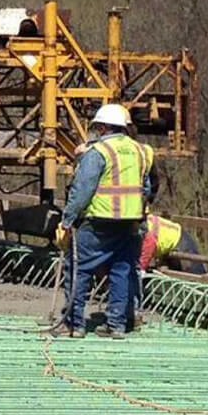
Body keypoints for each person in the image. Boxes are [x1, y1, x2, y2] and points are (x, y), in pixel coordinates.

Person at [53, 103, 156, 339]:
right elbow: (146, 189)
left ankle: (74, 323)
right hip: (131, 224)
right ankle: (117, 325)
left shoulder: (98, 152)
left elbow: (82, 190)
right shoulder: (141, 151)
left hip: (100, 223)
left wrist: (67, 220)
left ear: (103, 127)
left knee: (79, 269)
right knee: (121, 272)